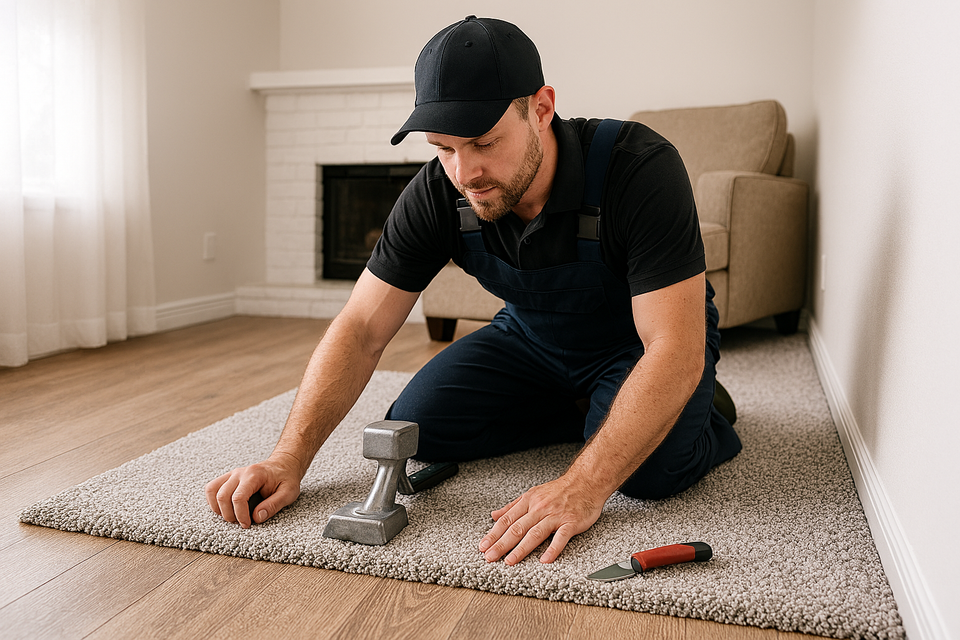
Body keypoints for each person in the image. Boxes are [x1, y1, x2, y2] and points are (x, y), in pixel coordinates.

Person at [206, 16, 741, 566]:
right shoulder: (439, 192)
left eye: (484, 142)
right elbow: (362, 327)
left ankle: (701, 411)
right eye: (444, 148)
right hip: (531, 337)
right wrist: (287, 459)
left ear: (541, 108)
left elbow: (672, 348)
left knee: (649, 474)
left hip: (640, 345)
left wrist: (582, 486)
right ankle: (593, 412)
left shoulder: (639, 169)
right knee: (420, 427)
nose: (465, 171)